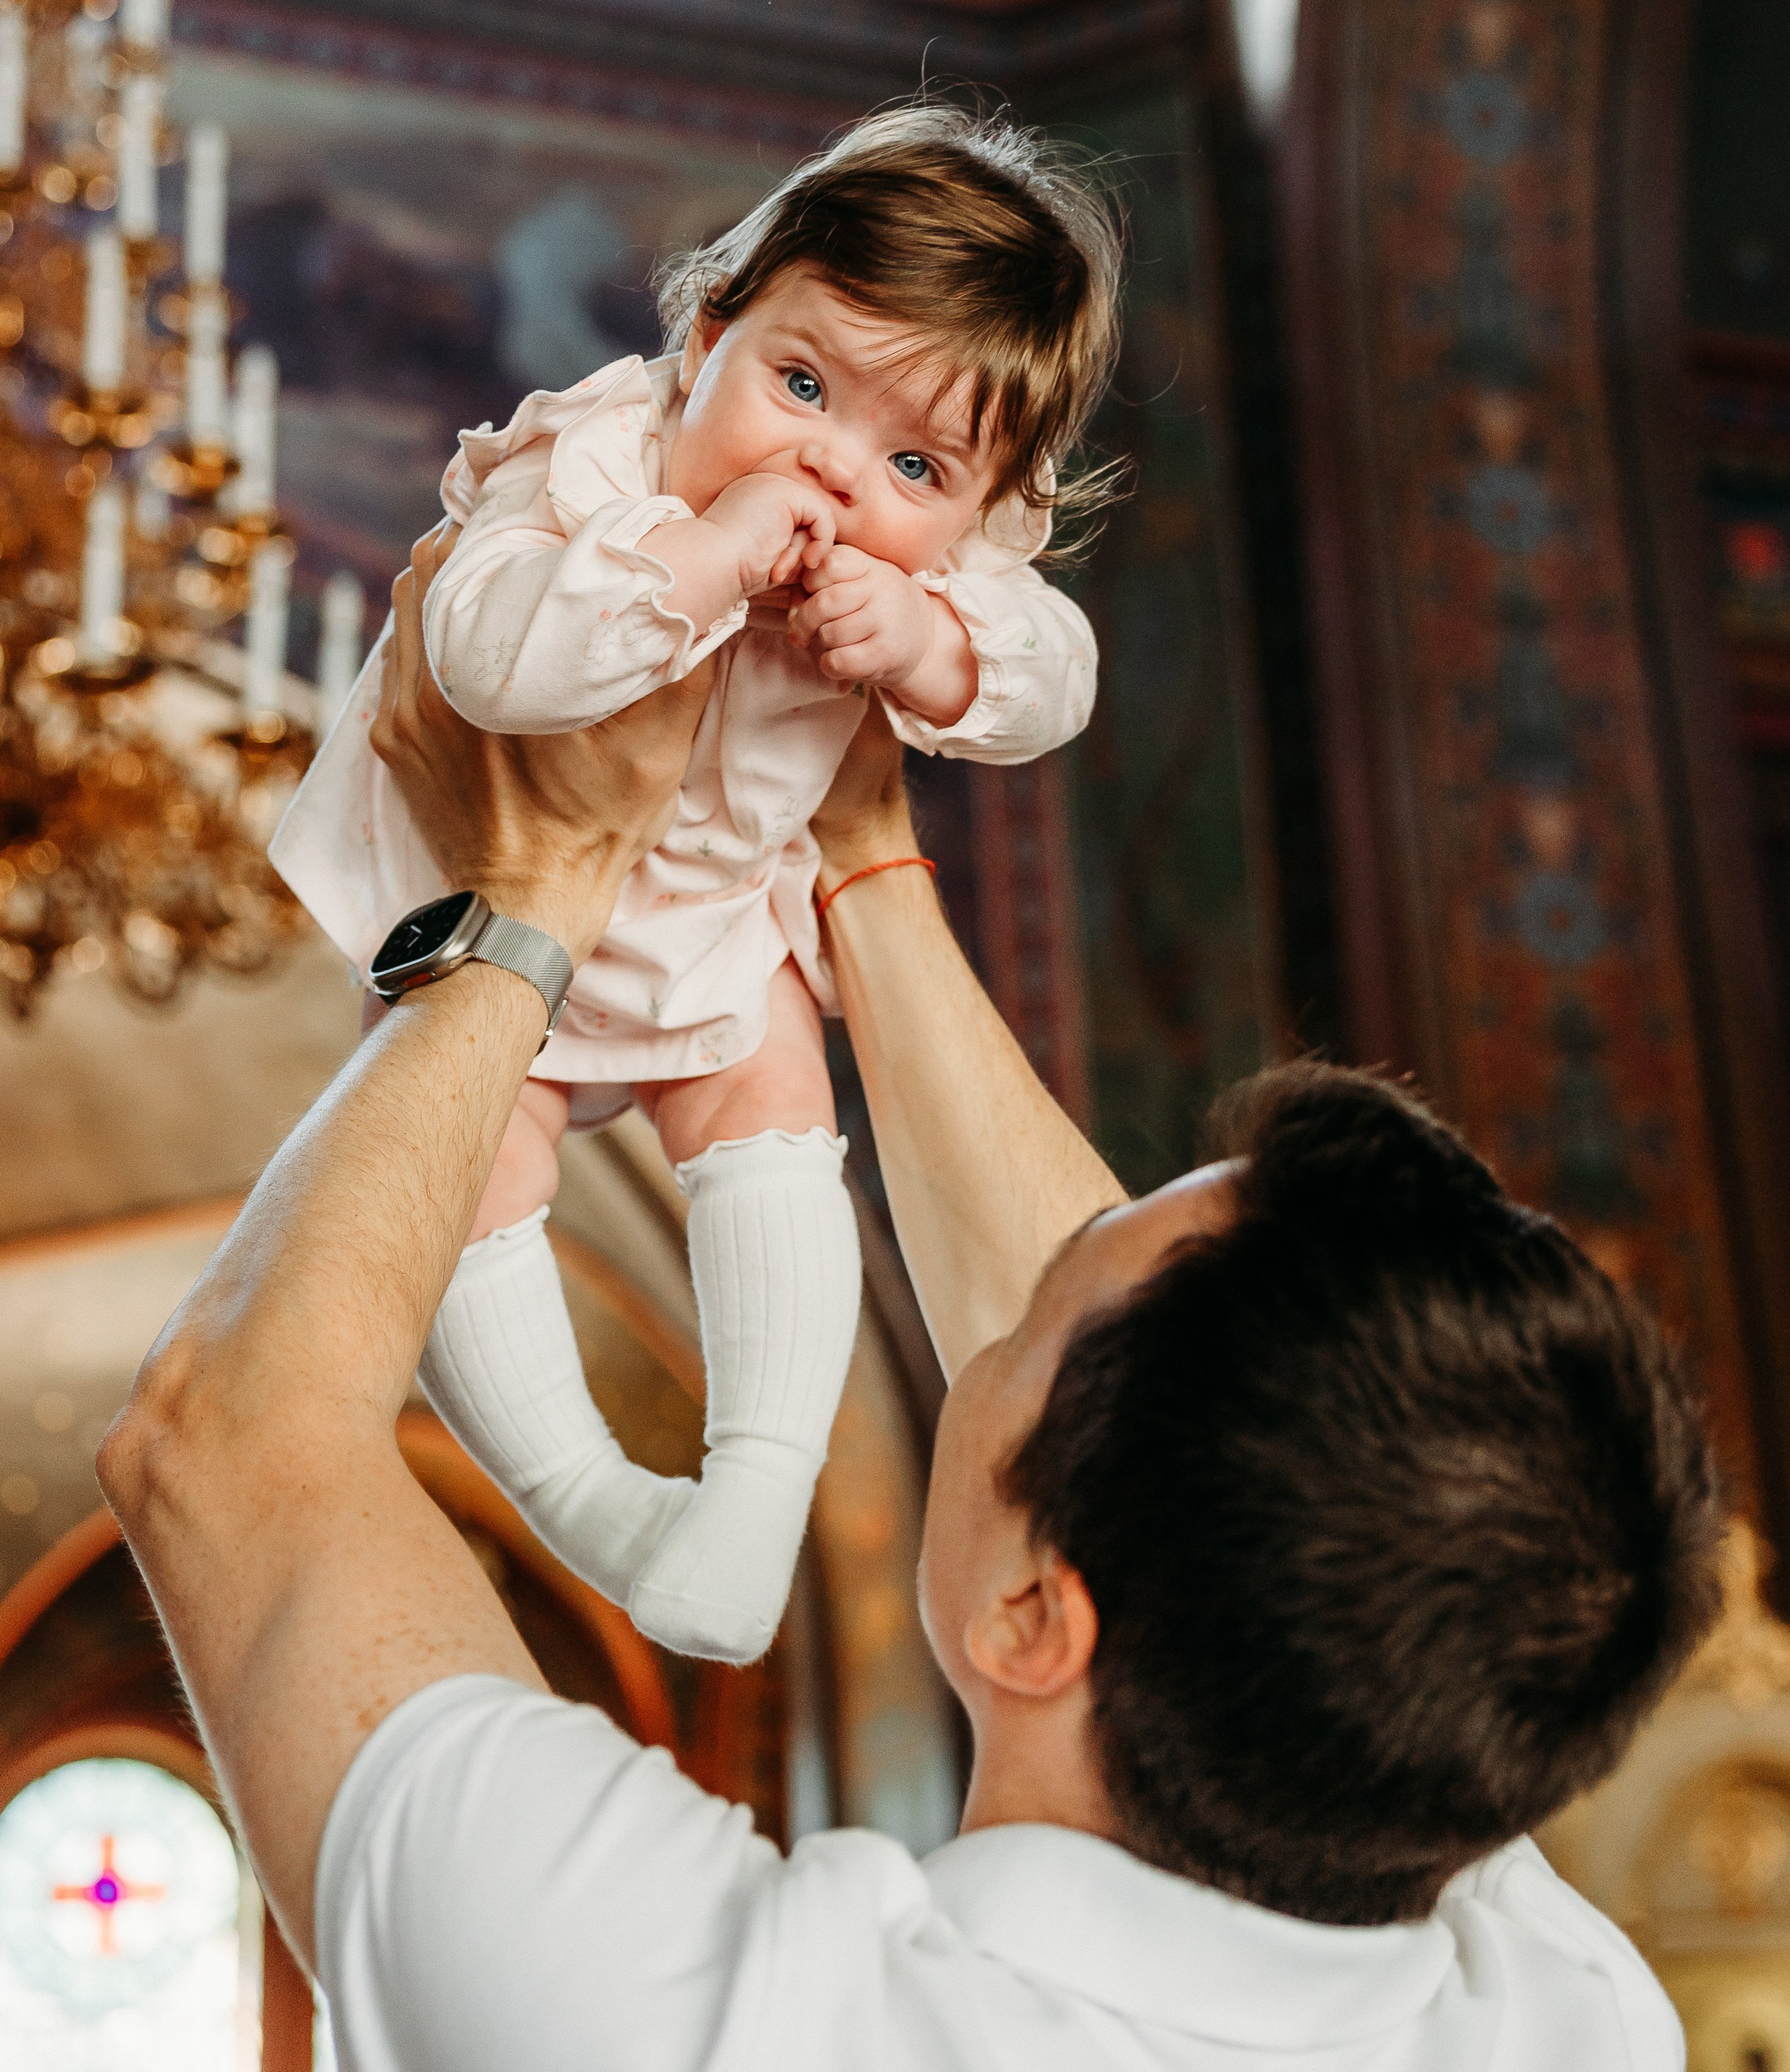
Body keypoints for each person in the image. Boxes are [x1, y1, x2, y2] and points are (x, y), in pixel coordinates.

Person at [101, 535, 1721, 2072]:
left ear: (1034, 1618)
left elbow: (226, 1453)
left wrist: (533, 892)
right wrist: (858, 854)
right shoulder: (1547, 1996)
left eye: (1022, 1337)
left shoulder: (706, 2018)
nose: (1005, 1311)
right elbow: (1165, 1396)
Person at [269, 103, 1115, 1664]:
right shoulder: (595, 456)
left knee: (777, 1100)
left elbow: (1055, 676)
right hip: (486, 917)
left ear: (987, 509)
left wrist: (932, 645)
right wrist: (702, 560)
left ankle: (752, 1498)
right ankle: (587, 1501)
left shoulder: (929, 574)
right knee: (454, 1166)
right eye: (800, 385)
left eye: (914, 464)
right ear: (708, 334)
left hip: (714, 932)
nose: (830, 469)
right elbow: (487, 653)